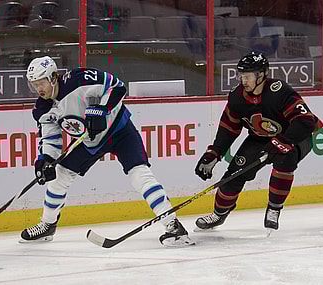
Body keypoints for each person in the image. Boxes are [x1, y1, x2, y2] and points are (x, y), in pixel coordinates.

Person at [20, 56, 195, 247]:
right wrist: (45, 160)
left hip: (120, 130)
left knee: (140, 174)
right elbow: (50, 138)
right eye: (34, 84)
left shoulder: (79, 80)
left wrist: (101, 110)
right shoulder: (42, 109)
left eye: (42, 82)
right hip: (89, 140)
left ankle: (173, 227)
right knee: (60, 175)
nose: (39, 89)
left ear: (53, 77)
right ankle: (48, 225)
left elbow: (118, 87)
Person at [194, 51, 323, 232]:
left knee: (285, 158)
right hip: (259, 138)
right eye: (241, 76)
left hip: (296, 136)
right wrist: (214, 153)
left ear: (261, 75)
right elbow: (228, 128)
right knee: (235, 173)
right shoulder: (237, 97)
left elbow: (305, 121)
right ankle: (219, 214)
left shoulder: (280, 92)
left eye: (247, 76)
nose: (243, 80)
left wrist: (281, 142)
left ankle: (274, 209)